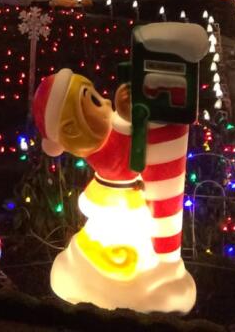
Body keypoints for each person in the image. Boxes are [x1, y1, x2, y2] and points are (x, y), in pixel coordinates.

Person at [33, 68, 158, 311]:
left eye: (97, 94)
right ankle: (109, 276)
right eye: (93, 99)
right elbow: (124, 160)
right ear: (71, 130)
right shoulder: (102, 155)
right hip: (115, 199)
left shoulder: (102, 148)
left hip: (123, 200)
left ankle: (127, 271)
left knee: (136, 241)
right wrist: (124, 118)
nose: (106, 100)